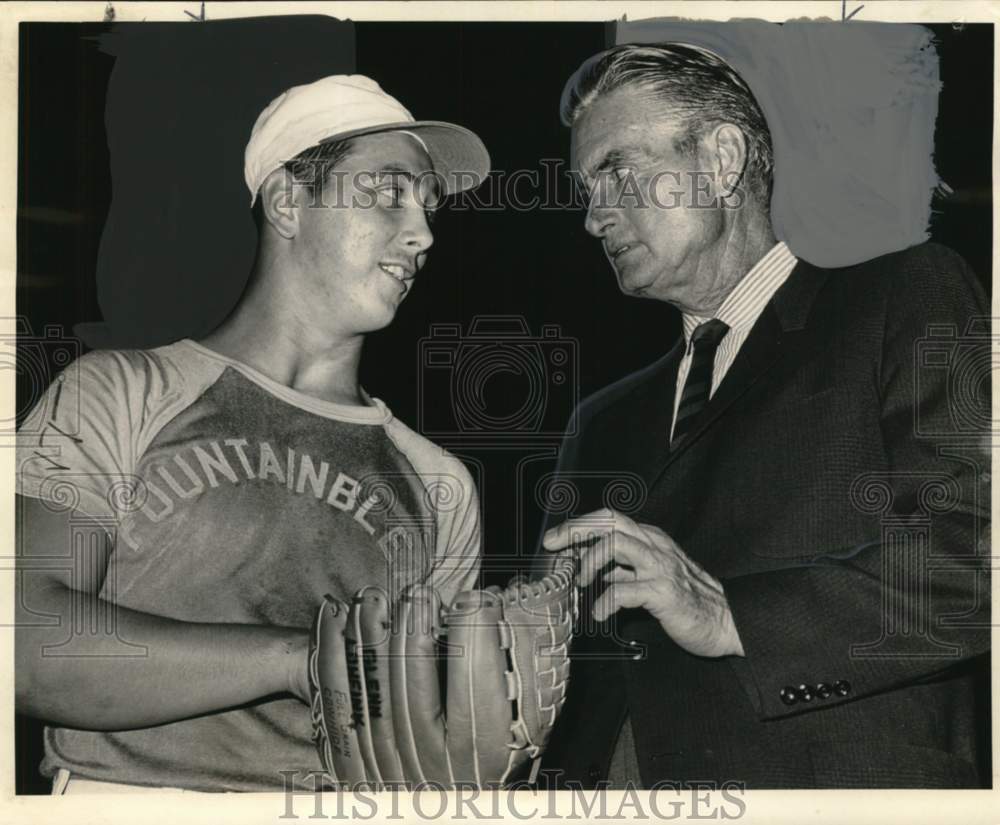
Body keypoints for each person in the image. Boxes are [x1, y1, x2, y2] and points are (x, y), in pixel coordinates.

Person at [14, 74, 490, 793]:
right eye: (390, 192)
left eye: (428, 204)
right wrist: (299, 659)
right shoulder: (116, 394)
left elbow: (430, 752)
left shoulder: (439, 484)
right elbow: (23, 645)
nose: (423, 232)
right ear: (288, 201)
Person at [538, 44, 990, 789]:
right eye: (586, 187)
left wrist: (730, 616)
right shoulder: (600, 420)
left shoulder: (906, 294)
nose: (592, 218)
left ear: (722, 158)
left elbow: (975, 561)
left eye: (616, 170)